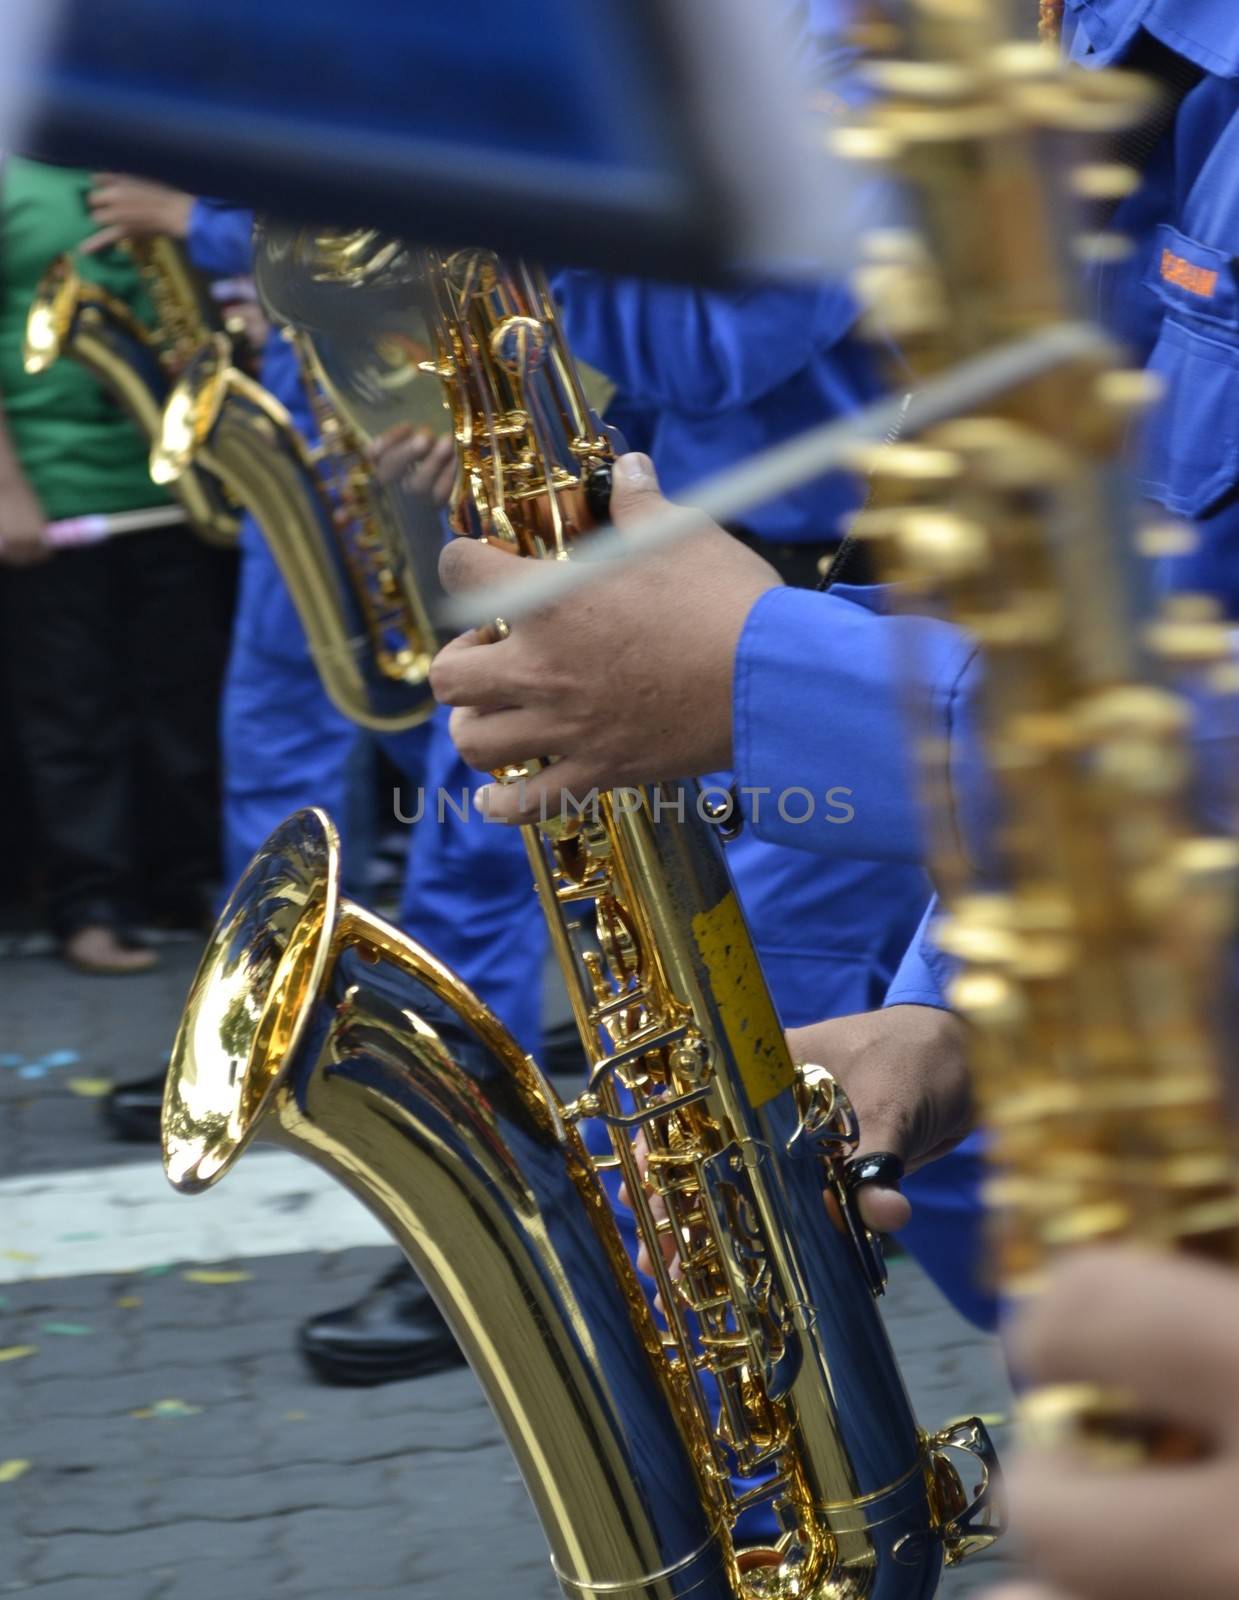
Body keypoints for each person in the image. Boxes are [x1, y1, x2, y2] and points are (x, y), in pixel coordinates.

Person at [0, 158, 229, 974]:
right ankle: (89, 900)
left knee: (186, 694)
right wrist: (9, 492)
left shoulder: (150, 166)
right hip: (55, 493)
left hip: (172, 490)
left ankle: (192, 881)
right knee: (71, 710)